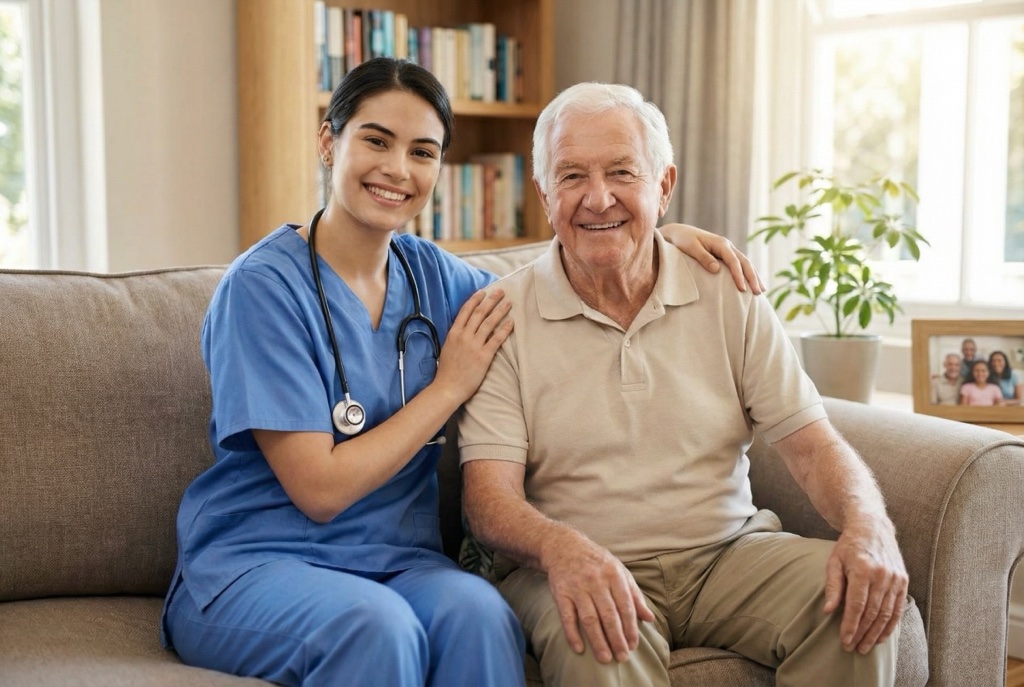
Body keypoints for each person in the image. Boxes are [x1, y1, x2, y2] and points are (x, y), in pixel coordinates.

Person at [160, 58, 763, 687]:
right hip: (258, 564)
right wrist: (449, 386)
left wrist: (653, 238)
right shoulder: (261, 288)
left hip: (398, 563)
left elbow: (554, 279)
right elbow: (320, 490)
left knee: (482, 615)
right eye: (376, 140)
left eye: (422, 152)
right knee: (376, 629)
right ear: (328, 142)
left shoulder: (436, 278)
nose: (398, 169)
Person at [459, 82, 908, 687]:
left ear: (664, 186)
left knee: (852, 605)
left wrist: (869, 524)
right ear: (544, 195)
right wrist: (562, 550)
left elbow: (811, 446)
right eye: (571, 176)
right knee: (594, 639)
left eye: (622, 172)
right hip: (580, 560)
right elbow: (488, 501)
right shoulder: (500, 315)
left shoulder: (728, 289)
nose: (598, 197)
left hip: (730, 553)